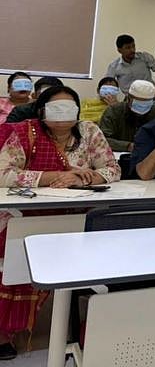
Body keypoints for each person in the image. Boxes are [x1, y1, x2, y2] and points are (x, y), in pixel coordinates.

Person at [0, 86, 120, 358]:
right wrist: (50, 176)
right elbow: (3, 174)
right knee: (7, 255)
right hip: (27, 214)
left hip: (79, 214)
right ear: (42, 112)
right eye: (56, 108)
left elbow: (112, 169)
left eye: (70, 108)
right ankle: (5, 329)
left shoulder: (89, 132)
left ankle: (88, 322)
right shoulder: (25, 133)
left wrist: (81, 178)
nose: (64, 115)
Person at [99, 80, 155, 152]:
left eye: (146, 103)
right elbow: (102, 140)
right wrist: (128, 146)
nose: (142, 106)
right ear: (129, 98)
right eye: (139, 102)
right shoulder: (114, 111)